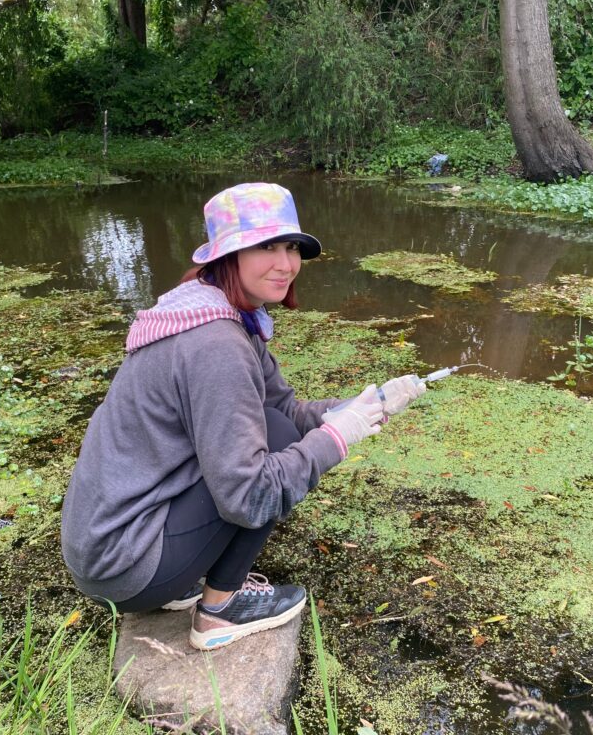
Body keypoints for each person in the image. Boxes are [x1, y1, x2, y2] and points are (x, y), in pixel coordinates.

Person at [61, 182, 426, 651]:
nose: (286, 264)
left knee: (273, 426)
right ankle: (218, 611)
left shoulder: (210, 308)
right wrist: (335, 440)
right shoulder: (215, 344)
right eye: (265, 246)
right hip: (124, 564)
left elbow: (284, 409)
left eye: (292, 247)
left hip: (104, 544)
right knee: (269, 444)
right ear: (227, 255)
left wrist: (355, 409)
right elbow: (249, 496)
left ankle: (188, 579)